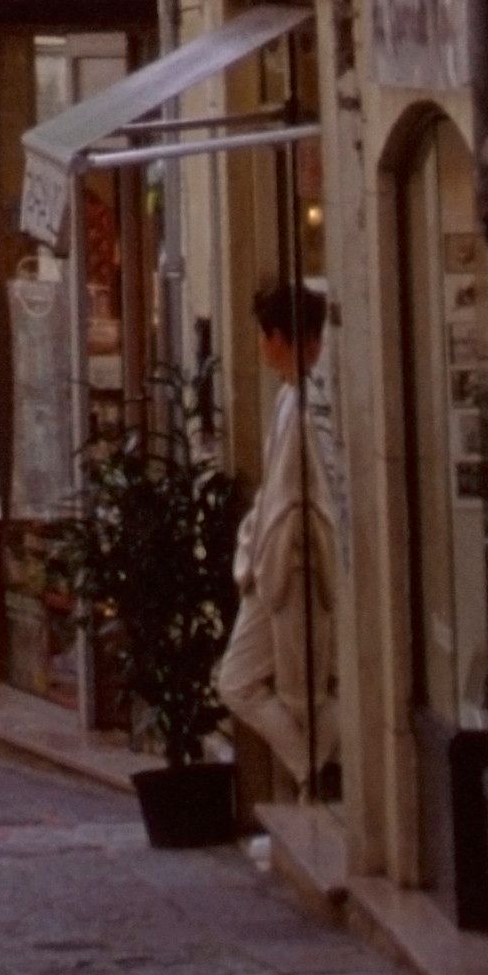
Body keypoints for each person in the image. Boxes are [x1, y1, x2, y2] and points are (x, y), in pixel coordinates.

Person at [218, 278, 342, 795]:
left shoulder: (307, 409)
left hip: (285, 572)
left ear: (277, 338)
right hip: (277, 568)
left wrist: (263, 561)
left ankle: (316, 767)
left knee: (244, 683)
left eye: (265, 336)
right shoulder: (296, 401)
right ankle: (318, 767)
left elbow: (304, 500)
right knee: (258, 685)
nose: (262, 349)